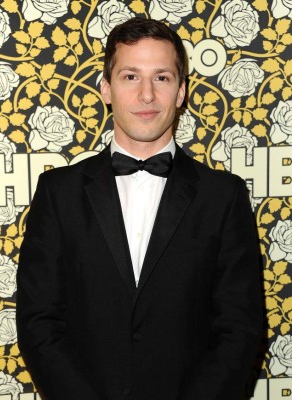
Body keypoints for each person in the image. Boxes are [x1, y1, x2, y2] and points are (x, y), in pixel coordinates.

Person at [16, 17, 262, 400]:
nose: (146, 95)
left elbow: (239, 327)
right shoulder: (58, 193)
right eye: (131, 76)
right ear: (106, 89)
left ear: (180, 92)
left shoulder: (223, 196)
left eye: (161, 78)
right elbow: (39, 322)